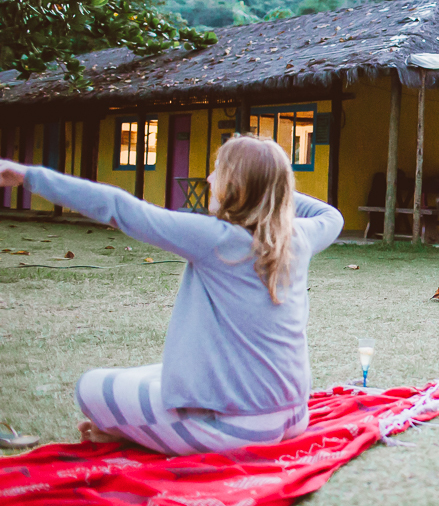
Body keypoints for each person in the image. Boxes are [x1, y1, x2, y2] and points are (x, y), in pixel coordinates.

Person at [0, 135, 343, 455]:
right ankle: (136, 428)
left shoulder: (216, 239)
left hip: (238, 430)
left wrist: (28, 176)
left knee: (91, 387)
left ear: (234, 187)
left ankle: (129, 431)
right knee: (160, 374)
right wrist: (271, 189)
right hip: (294, 416)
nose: (209, 179)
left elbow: (119, 207)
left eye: (217, 171)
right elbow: (332, 216)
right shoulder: (299, 236)